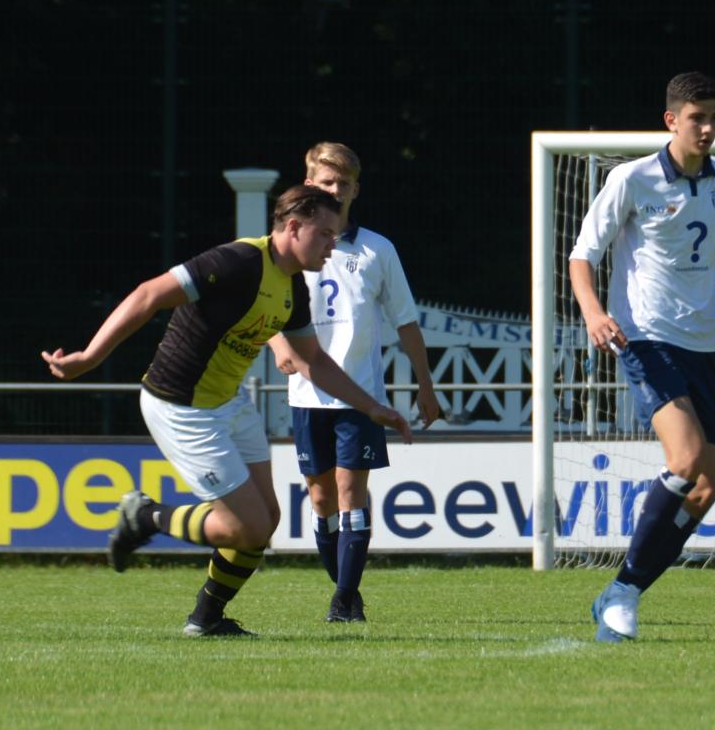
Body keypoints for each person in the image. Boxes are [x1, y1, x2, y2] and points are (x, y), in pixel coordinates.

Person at [41, 185, 412, 637]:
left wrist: (374, 408)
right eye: (326, 234)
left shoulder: (293, 287)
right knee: (245, 526)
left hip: (229, 401)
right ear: (293, 227)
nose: (332, 246)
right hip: (182, 405)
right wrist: (90, 357)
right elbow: (147, 294)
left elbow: (312, 361)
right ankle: (144, 517)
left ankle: (207, 618)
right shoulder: (236, 261)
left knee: (266, 522)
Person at [569, 71, 715, 643]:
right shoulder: (631, 179)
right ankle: (624, 595)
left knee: (706, 489)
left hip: (707, 343)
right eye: (697, 117)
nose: (708, 128)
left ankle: (622, 588)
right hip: (645, 336)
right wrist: (593, 313)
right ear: (671, 121)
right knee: (685, 460)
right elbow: (583, 256)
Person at [267, 142, 440, 623]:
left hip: (360, 396)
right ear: (308, 183)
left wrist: (425, 386)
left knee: (350, 493)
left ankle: (343, 599)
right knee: (319, 499)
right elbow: (264, 308)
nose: (335, 190)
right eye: (326, 182)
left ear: (356, 190)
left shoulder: (377, 250)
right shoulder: (288, 242)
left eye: (343, 183)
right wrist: (280, 346)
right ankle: (346, 589)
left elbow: (406, 322)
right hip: (306, 393)